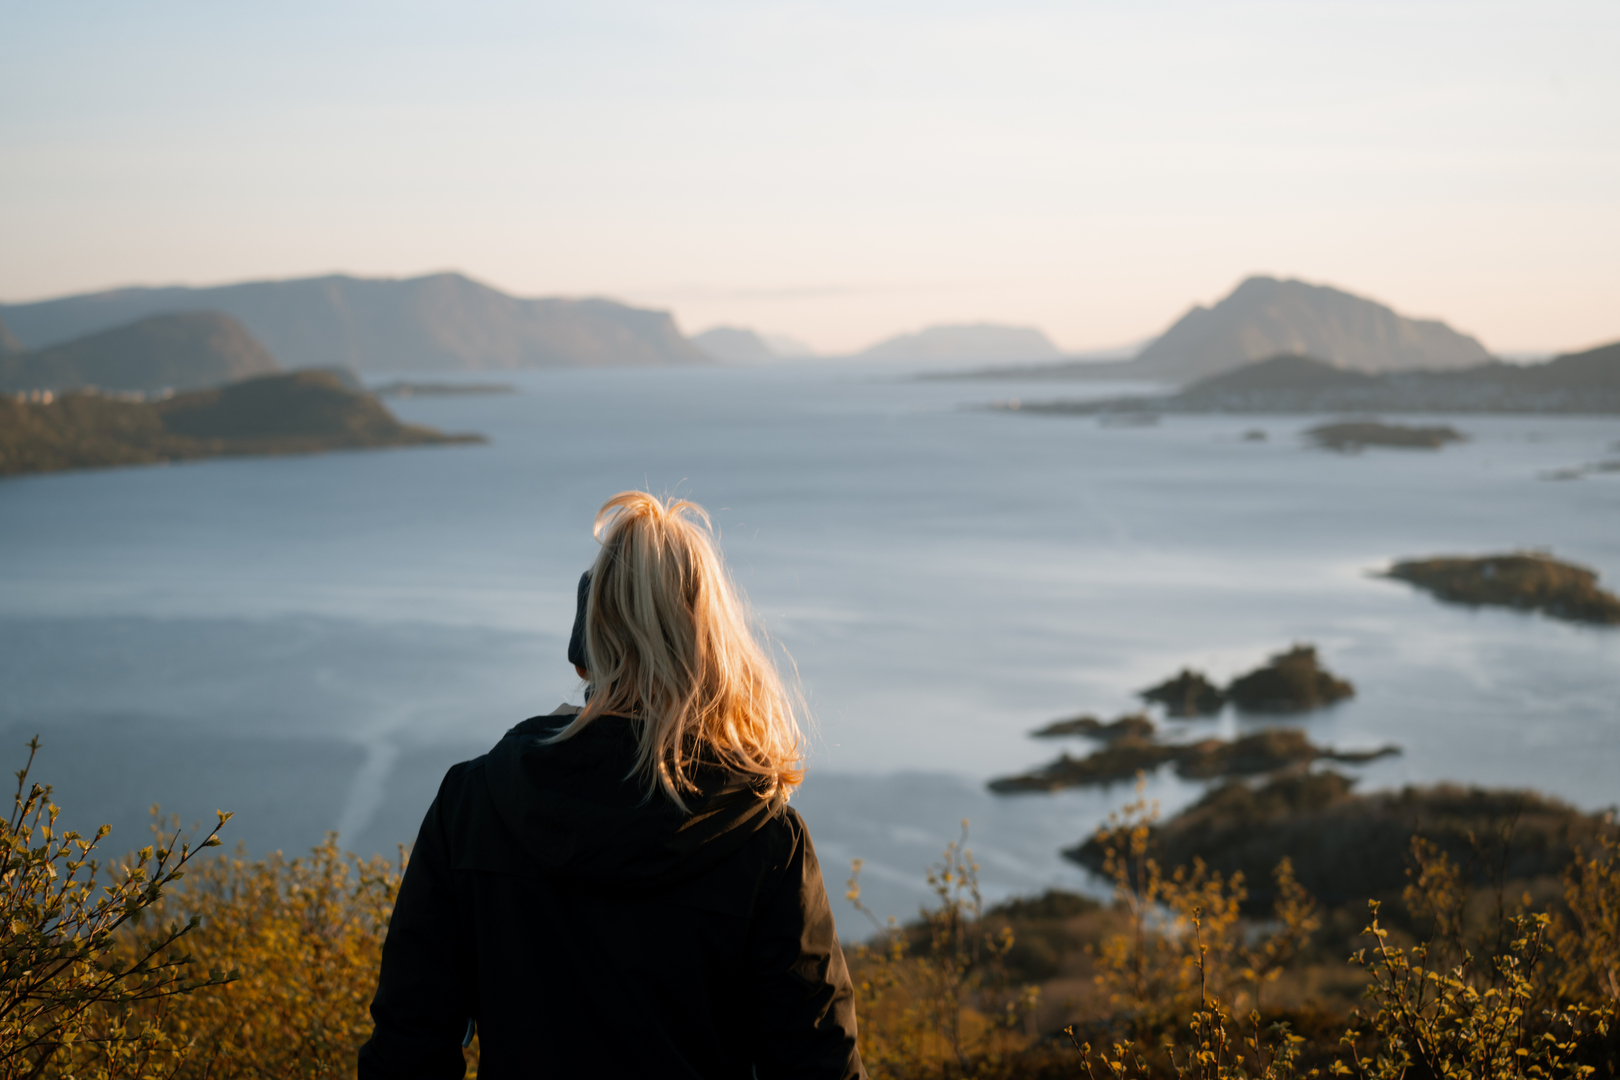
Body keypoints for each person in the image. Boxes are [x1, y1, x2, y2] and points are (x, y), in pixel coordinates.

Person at [358, 492, 864, 1079]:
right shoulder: (764, 839)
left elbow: (408, 1047)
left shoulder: (473, 804)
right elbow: (819, 1066)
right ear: (712, 649)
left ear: (584, 652)